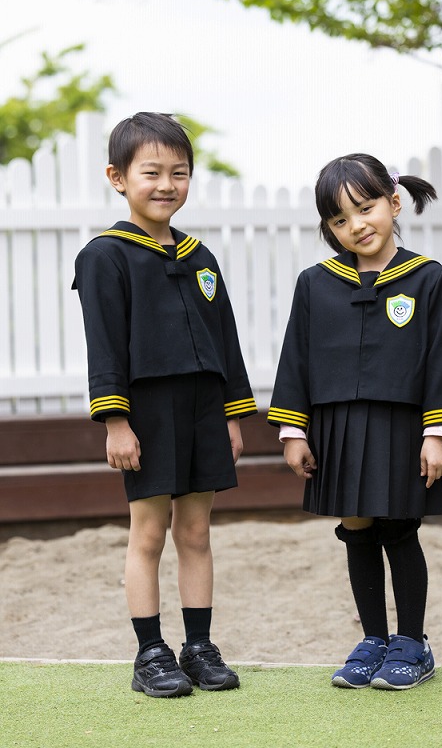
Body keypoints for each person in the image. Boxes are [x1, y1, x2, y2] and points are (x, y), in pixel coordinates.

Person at [73, 112, 257, 698]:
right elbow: (103, 345)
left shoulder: (201, 256)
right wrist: (115, 422)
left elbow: (225, 337)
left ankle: (198, 646)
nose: (166, 184)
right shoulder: (106, 256)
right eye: (150, 172)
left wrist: (232, 412)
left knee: (197, 531)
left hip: (203, 407)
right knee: (149, 532)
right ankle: (150, 651)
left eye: (179, 172)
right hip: (146, 412)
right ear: (117, 177)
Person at [268, 153, 442, 691]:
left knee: (399, 529)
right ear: (329, 229)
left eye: (366, 207)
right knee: (356, 528)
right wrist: (293, 431)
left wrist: (437, 434)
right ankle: (374, 639)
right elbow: (296, 359)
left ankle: (413, 642)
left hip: (403, 430)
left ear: (393, 202)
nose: (356, 225)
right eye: (339, 219)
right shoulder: (315, 283)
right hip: (337, 428)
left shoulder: (428, 280)